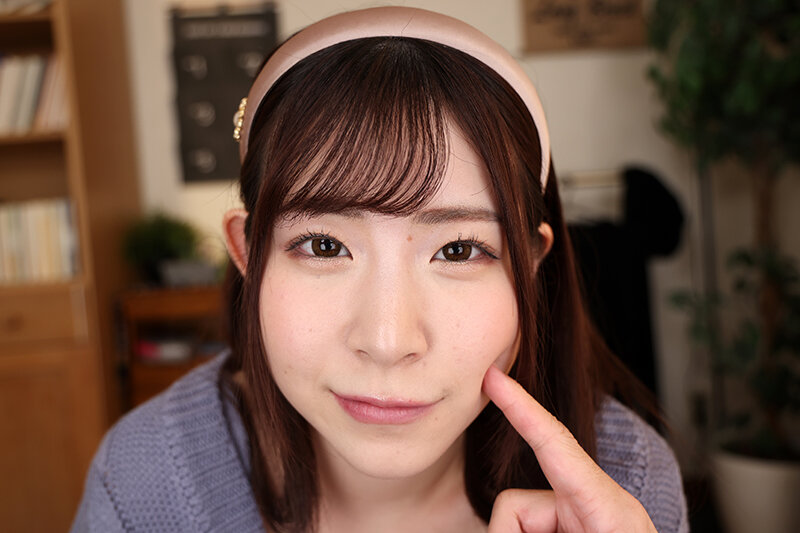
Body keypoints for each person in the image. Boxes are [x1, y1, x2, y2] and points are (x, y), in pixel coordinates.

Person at [71, 7, 688, 533]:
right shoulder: (143, 482)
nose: (388, 342)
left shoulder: (625, 490)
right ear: (248, 252)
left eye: (458, 250)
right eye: (323, 245)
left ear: (530, 265)